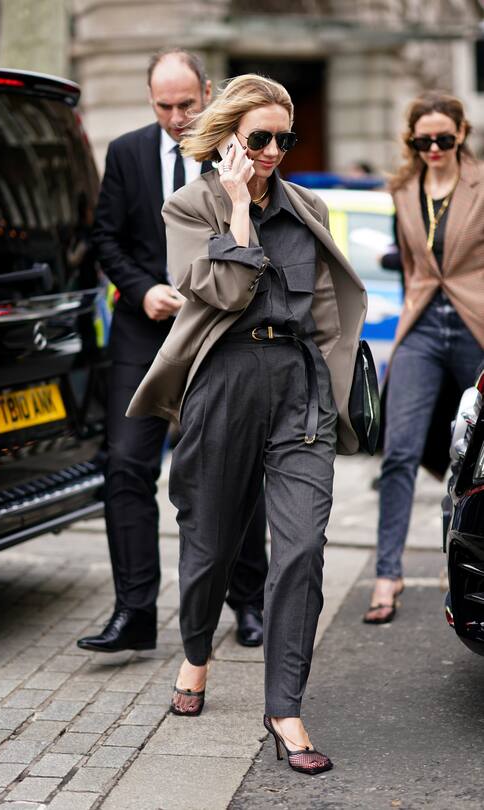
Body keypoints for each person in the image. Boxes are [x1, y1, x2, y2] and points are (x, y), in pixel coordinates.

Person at [127, 74, 367, 775]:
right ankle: (196, 654)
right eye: (257, 138)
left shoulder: (308, 207)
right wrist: (237, 207)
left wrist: (330, 397)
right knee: (209, 545)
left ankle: (285, 707)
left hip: (297, 388)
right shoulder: (187, 205)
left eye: (282, 139)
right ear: (228, 135)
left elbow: (324, 313)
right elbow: (228, 289)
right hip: (222, 385)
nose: (270, 151)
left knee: (302, 546)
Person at [77, 50, 268, 655]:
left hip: (217, 331)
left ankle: (250, 603)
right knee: (127, 467)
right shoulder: (128, 152)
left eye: (188, 103)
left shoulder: (237, 152)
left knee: (230, 469)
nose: (178, 117)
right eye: (165, 106)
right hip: (144, 331)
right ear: (150, 99)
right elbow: (105, 236)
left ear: (207, 92)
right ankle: (134, 611)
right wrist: (141, 289)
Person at [364, 91, 484, 624]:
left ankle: (469, 561)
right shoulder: (401, 189)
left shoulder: (481, 186)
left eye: (444, 138)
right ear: (411, 140)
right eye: (423, 140)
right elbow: (412, 263)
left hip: (474, 324)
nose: (433, 148)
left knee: (477, 455)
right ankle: (387, 575)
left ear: (462, 134)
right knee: (399, 451)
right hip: (420, 327)